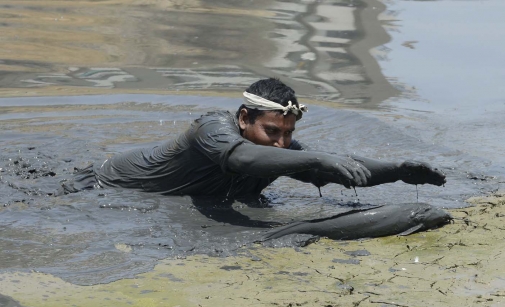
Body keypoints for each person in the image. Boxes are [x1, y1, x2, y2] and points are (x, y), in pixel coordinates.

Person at [60, 78, 445, 198]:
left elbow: (335, 168)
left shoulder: (282, 150)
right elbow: (244, 159)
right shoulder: (211, 128)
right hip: (95, 187)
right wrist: (316, 161)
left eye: (289, 134)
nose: (281, 143)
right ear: (244, 118)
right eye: (272, 131)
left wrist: (396, 170)